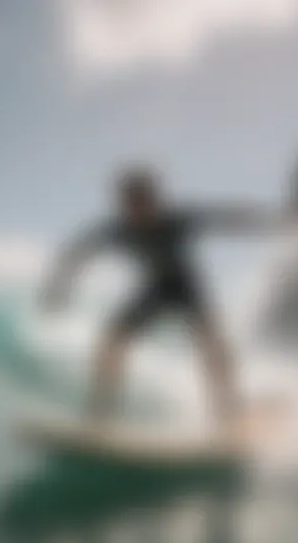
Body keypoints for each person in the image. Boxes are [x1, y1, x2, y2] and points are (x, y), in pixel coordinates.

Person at [40, 166, 284, 426]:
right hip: (156, 290)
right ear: (124, 205)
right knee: (112, 339)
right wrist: (59, 288)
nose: (139, 211)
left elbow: (224, 218)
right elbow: (78, 253)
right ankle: (99, 415)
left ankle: (230, 412)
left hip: (188, 289)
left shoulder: (176, 220)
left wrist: (267, 221)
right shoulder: (118, 229)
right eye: (131, 205)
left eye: (145, 203)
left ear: (155, 201)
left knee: (212, 346)